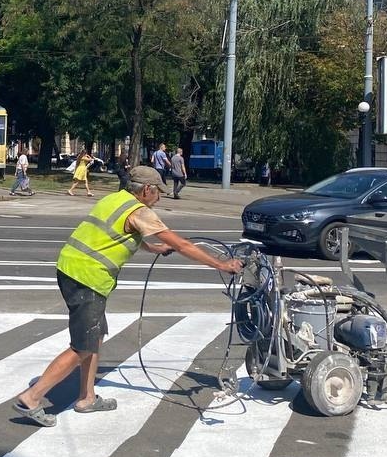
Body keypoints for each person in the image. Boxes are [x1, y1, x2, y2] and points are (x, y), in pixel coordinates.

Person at [12, 166, 243, 426]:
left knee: (95, 336)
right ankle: (32, 397)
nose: (159, 198)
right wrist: (222, 265)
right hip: (88, 277)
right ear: (147, 190)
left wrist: (152, 247)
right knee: (82, 346)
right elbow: (183, 245)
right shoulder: (140, 211)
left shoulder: (115, 199)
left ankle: (87, 398)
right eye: (158, 193)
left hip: (70, 268)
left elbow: (121, 232)